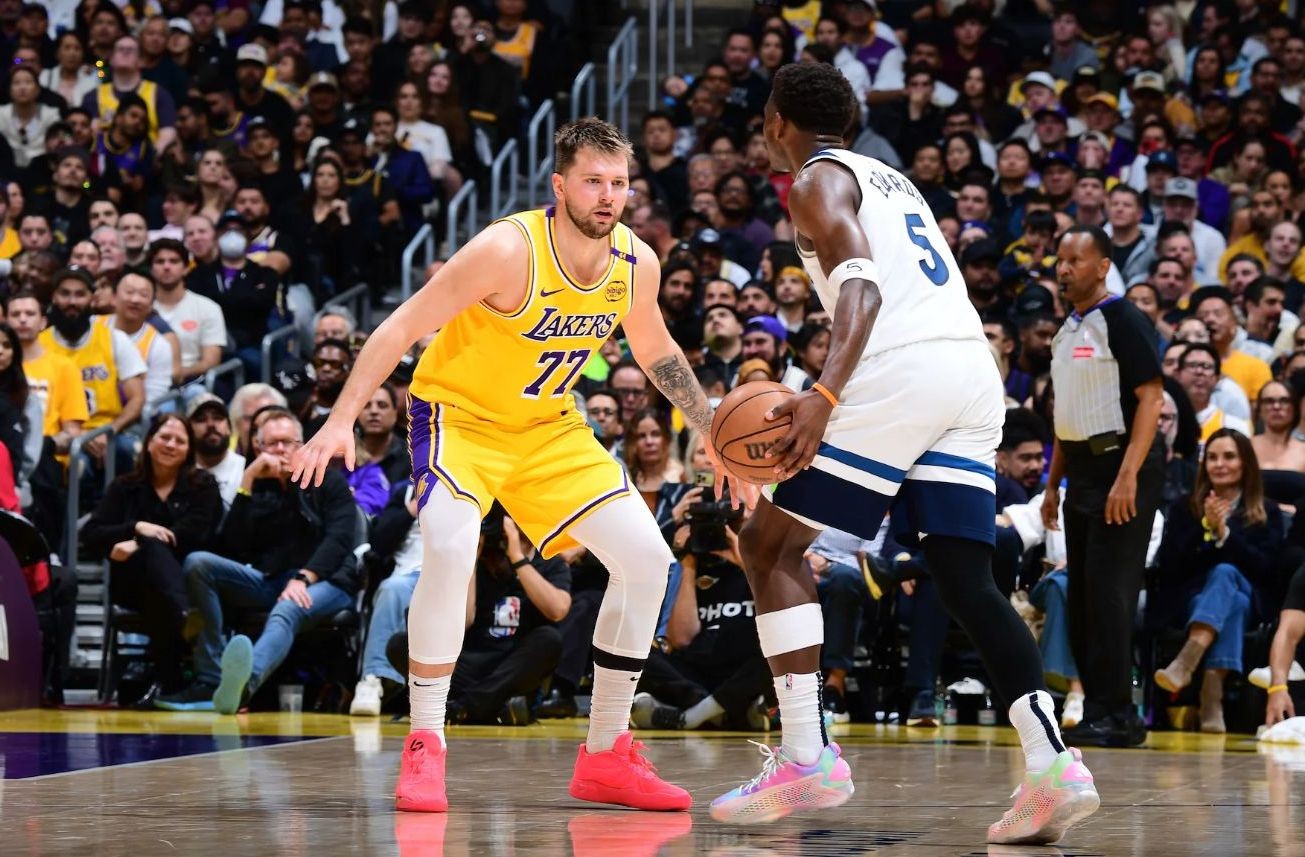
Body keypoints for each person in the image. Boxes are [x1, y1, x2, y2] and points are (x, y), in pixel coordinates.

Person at [291, 118, 751, 815]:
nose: (608, 196)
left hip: (547, 427)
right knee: (449, 549)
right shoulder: (507, 248)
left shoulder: (635, 262)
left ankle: (606, 752)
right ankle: (425, 741)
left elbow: (655, 348)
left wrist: (707, 425)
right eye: (593, 181)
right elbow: (400, 326)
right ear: (560, 185)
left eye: (619, 183)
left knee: (649, 563)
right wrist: (339, 419)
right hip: (459, 419)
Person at [706, 62, 1097, 844]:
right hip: (968, 372)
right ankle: (1052, 764)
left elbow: (861, 289)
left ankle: (805, 756)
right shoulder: (892, 181)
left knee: (766, 543)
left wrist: (824, 392)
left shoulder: (814, 180)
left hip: (903, 367)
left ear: (777, 121)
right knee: (963, 575)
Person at [1046, 225, 1166, 750]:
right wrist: (1052, 485)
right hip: (1083, 470)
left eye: (1076, 259)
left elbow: (1152, 398)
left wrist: (1128, 476)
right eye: (1060, 259)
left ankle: (1118, 712)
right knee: (1082, 595)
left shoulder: (1124, 319)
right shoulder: (1067, 329)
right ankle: (1099, 707)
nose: (1064, 268)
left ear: (1102, 267)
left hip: (1123, 464)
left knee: (1111, 593)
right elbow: (1065, 415)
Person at [81, 414, 222, 701]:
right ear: (148, 443)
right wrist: (136, 527)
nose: (171, 445)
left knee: (158, 593)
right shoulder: (124, 486)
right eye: (164, 437)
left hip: (186, 579)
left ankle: (166, 680)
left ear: (188, 450)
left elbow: (196, 533)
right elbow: (91, 533)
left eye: (179, 440)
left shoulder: (203, 485)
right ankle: (184, 618)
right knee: (153, 573)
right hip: (130, 583)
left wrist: (140, 542)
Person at [1152, 428, 1282, 733]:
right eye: (1212, 457)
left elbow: (1267, 570)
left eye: (1229, 457)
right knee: (1231, 600)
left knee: (1227, 574)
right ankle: (1213, 691)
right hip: (1194, 599)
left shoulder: (1267, 511)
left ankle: (1186, 662)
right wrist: (1206, 529)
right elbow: (1171, 567)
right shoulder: (1184, 507)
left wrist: (1225, 534)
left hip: (1253, 599)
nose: (1219, 464)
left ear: (1245, 463)